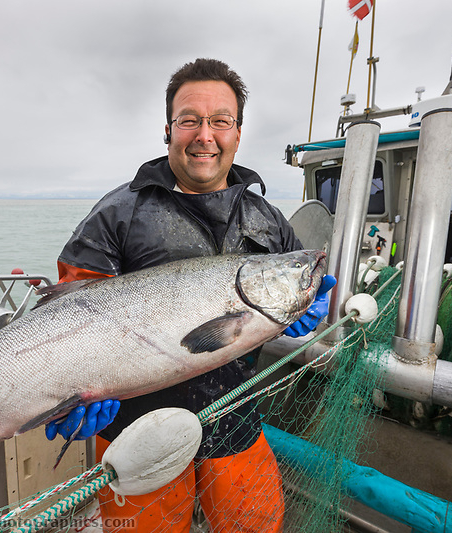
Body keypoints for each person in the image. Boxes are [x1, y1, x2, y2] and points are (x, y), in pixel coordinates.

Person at [46, 58, 335, 532]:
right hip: (137, 428)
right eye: (190, 120)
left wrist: (311, 308)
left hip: (236, 416)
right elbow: (69, 313)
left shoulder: (268, 219)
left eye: (220, 121)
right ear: (168, 130)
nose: (205, 134)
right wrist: (67, 391)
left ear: (238, 132)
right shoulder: (118, 214)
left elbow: (302, 284)